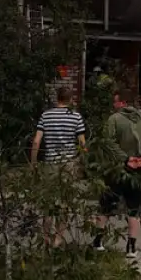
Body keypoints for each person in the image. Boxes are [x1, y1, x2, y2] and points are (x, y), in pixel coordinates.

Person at [93, 87, 141, 257]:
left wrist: (125, 159)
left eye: (115, 102)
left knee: (106, 207)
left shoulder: (114, 119)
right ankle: (131, 248)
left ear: (122, 103)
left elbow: (108, 143)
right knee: (134, 209)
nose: (114, 105)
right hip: (138, 173)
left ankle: (98, 242)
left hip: (116, 171)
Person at [30, 85, 86, 247]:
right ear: (70, 99)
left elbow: (36, 141)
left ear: (57, 98)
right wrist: (81, 163)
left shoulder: (46, 116)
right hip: (69, 164)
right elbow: (82, 143)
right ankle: (58, 238)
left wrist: (33, 164)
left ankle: (46, 237)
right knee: (64, 202)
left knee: (48, 201)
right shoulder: (76, 116)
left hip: (50, 163)